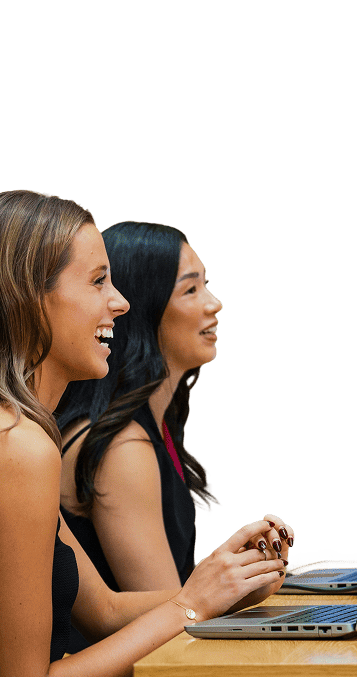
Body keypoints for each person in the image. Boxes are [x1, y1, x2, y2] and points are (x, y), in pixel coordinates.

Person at [0, 191, 293, 677]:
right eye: (98, 281)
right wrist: (189, 608)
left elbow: (102, 609)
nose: (120, 302)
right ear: (29, 299)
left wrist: (225, 588)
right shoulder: (15, 447)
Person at [55, 221, 247, 652]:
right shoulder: (123, 449)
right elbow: (179, 622)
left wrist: (245, 580)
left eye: (207, 286)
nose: (214, 303)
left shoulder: (150, 430)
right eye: (190, 290)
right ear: (141, 308)